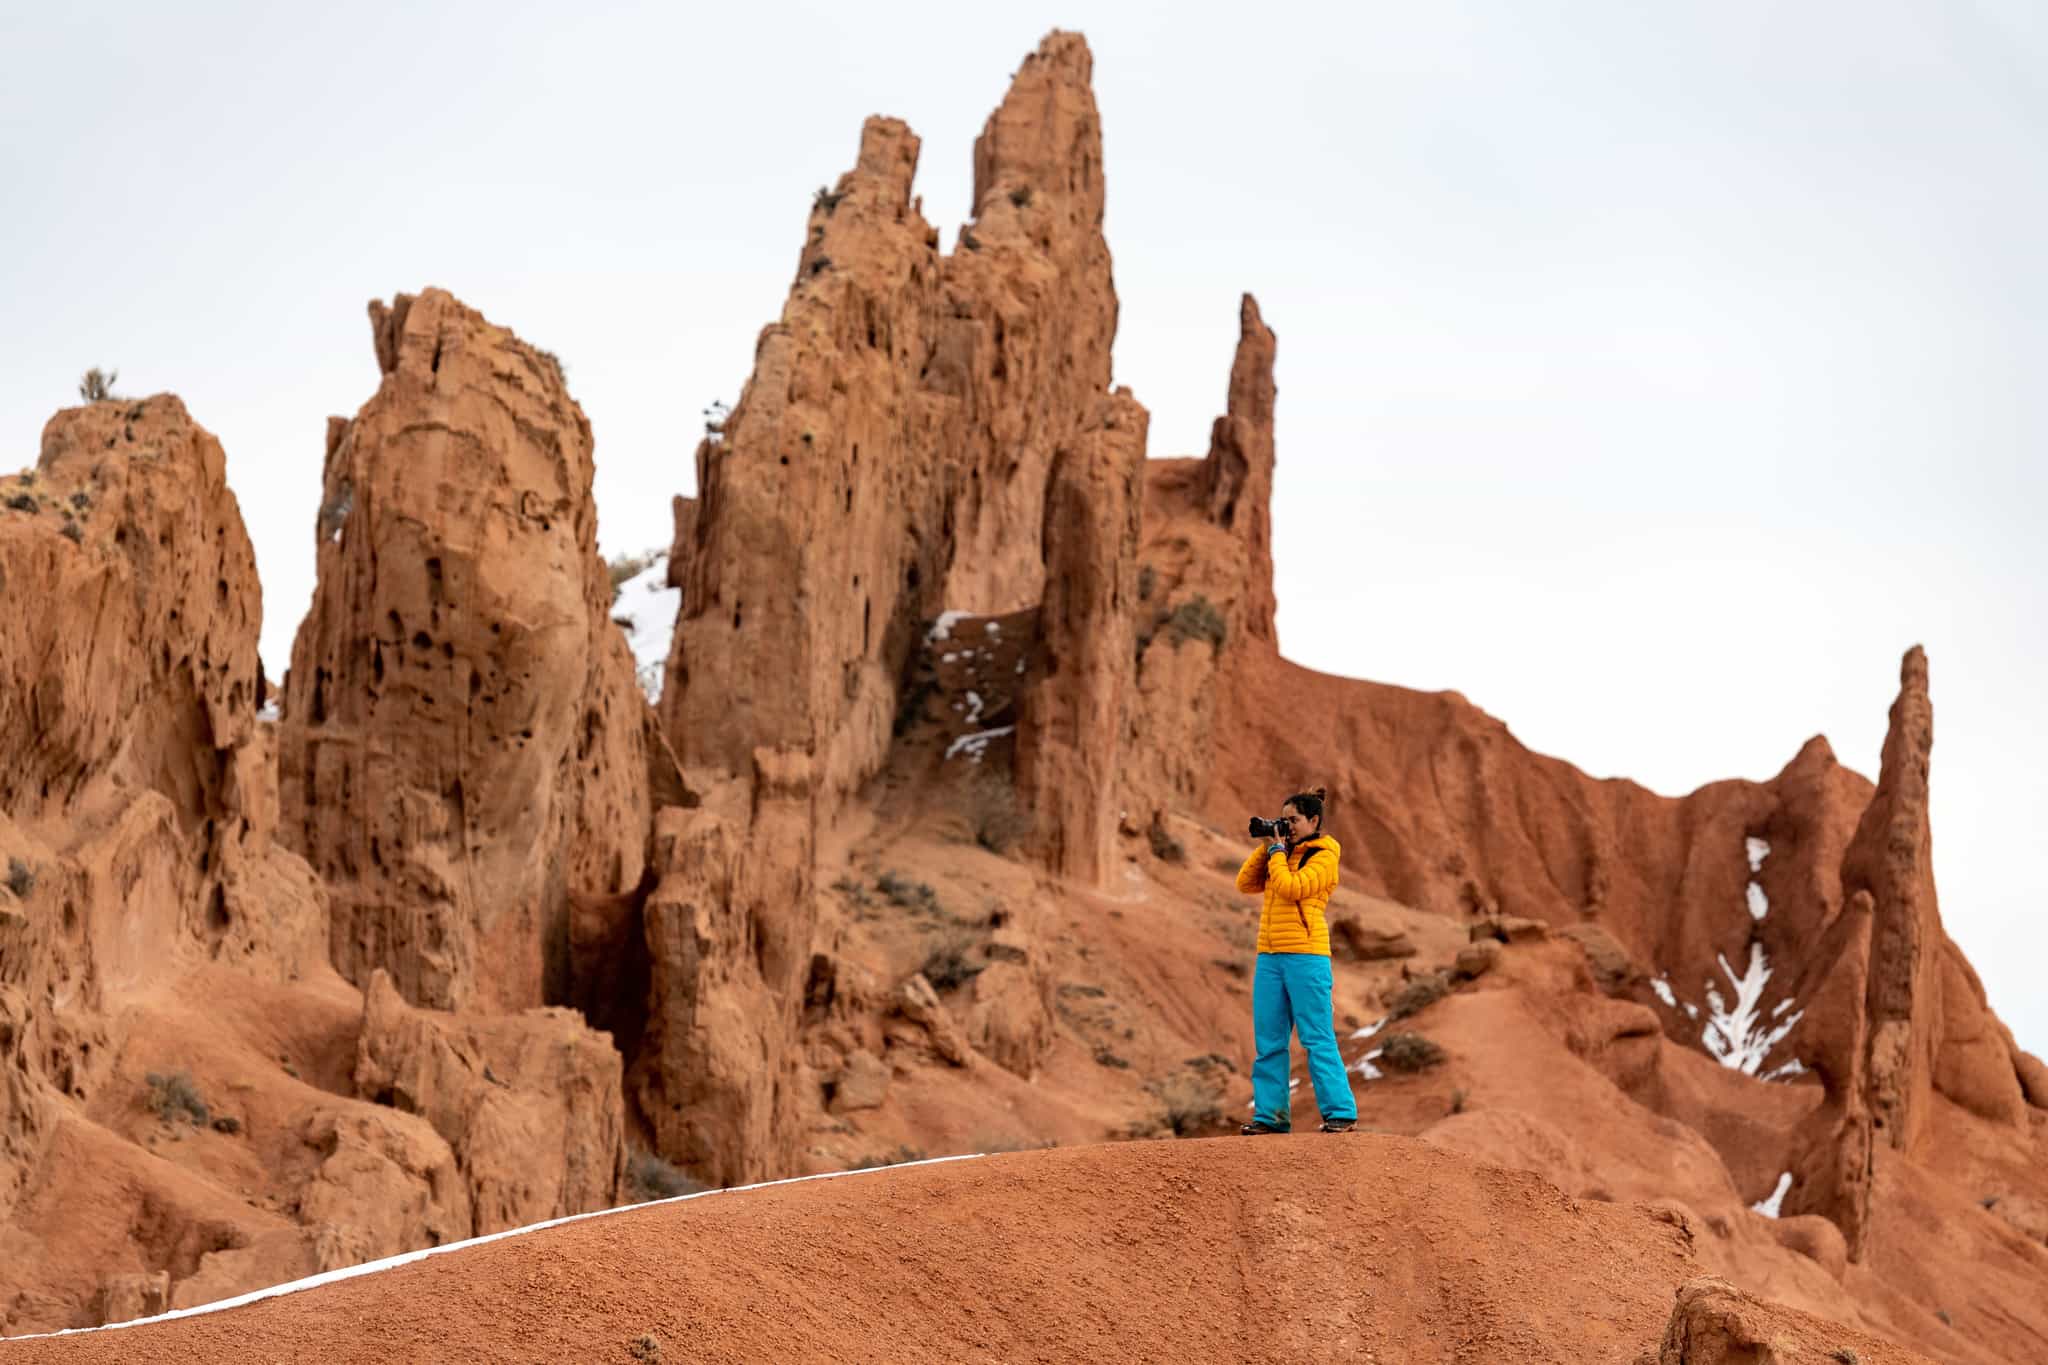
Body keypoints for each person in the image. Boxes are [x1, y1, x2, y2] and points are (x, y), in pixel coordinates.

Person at [1232, 785, 1357, 1134]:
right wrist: (1267, 847)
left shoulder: (1324, 855)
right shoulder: (1281, 852)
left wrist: (1275, 850)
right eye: (1283, 820)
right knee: (1269, 1040)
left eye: (1293, 820)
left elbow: (1291, 887)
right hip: (1270, 956)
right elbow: (1245, 883)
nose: (1287, 826)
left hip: (1307, 955)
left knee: (1316, 1036)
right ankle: (1270, 1118)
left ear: (1313, 820)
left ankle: (1341, 1112)